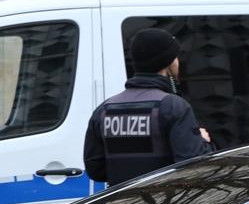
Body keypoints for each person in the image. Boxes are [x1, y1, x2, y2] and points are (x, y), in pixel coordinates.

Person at [84, 28, 213, 185]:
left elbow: (95, 170)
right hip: (166, 203)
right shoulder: (173, 106)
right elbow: (192, 167)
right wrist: (202, 142)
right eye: (176, 57)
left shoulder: (104, 109)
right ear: (169, 61)